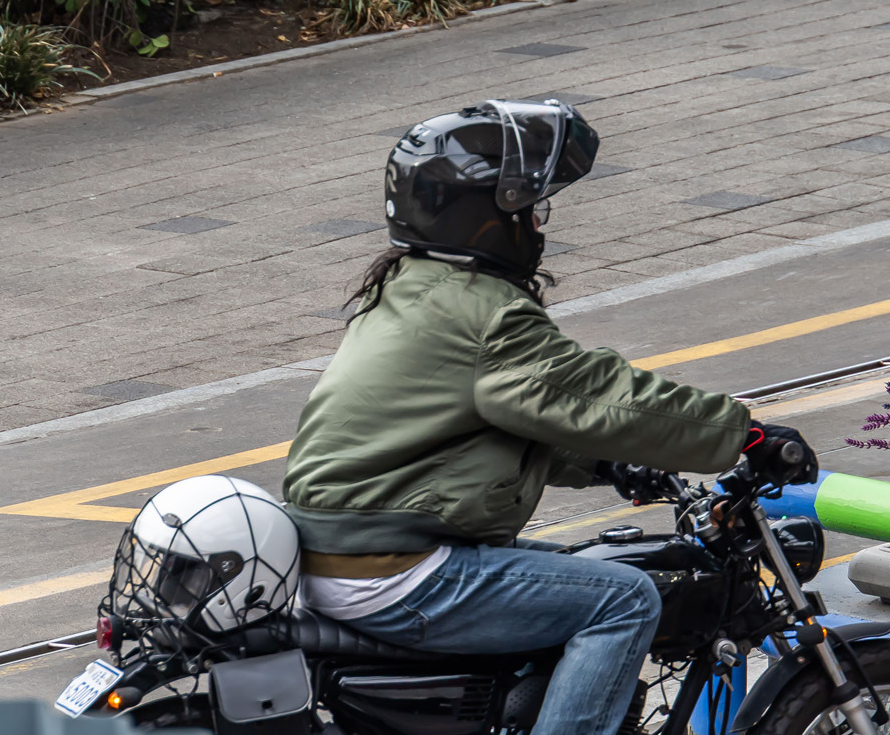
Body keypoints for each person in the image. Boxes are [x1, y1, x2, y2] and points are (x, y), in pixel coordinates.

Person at [282, 99, 814, 735]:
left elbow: (485, 428)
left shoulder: (409, 291)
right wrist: (743, 435)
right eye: (531, 208)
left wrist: (605, 464)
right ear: (488, 217)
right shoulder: (486, 316)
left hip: (342, 554)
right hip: (396, 567)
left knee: (588, 565)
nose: (539, 224)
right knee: (623, 598)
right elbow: (600, 397)